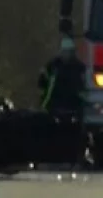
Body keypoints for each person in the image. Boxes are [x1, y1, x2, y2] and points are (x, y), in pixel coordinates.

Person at [38, 36, 88, 164]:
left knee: (76, 134)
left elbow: (84, 88)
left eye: (69, 51)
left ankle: (77, 157)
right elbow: (43, 84)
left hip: (74, 107)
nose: (66, 54)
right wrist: (43, 102)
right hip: (54, 105)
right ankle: (50, 157)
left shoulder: (79, 68)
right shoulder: (53, 66)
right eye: (65, 51)